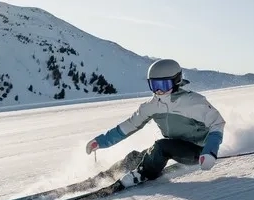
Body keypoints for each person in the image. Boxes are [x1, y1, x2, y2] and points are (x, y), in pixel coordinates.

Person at [85, 58, 226, 187]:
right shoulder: (151, 106)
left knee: (161, 147)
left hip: (197, 150)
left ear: (176, 81)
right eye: (154, 85)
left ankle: (142, 174)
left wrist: (210, 151)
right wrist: (102, 141)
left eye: (164, 85)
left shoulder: (193, 102)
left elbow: (217, 123)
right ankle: (106, 176)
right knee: (137, 156)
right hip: (173, 144)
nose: (158, 91)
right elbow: (130, 125)